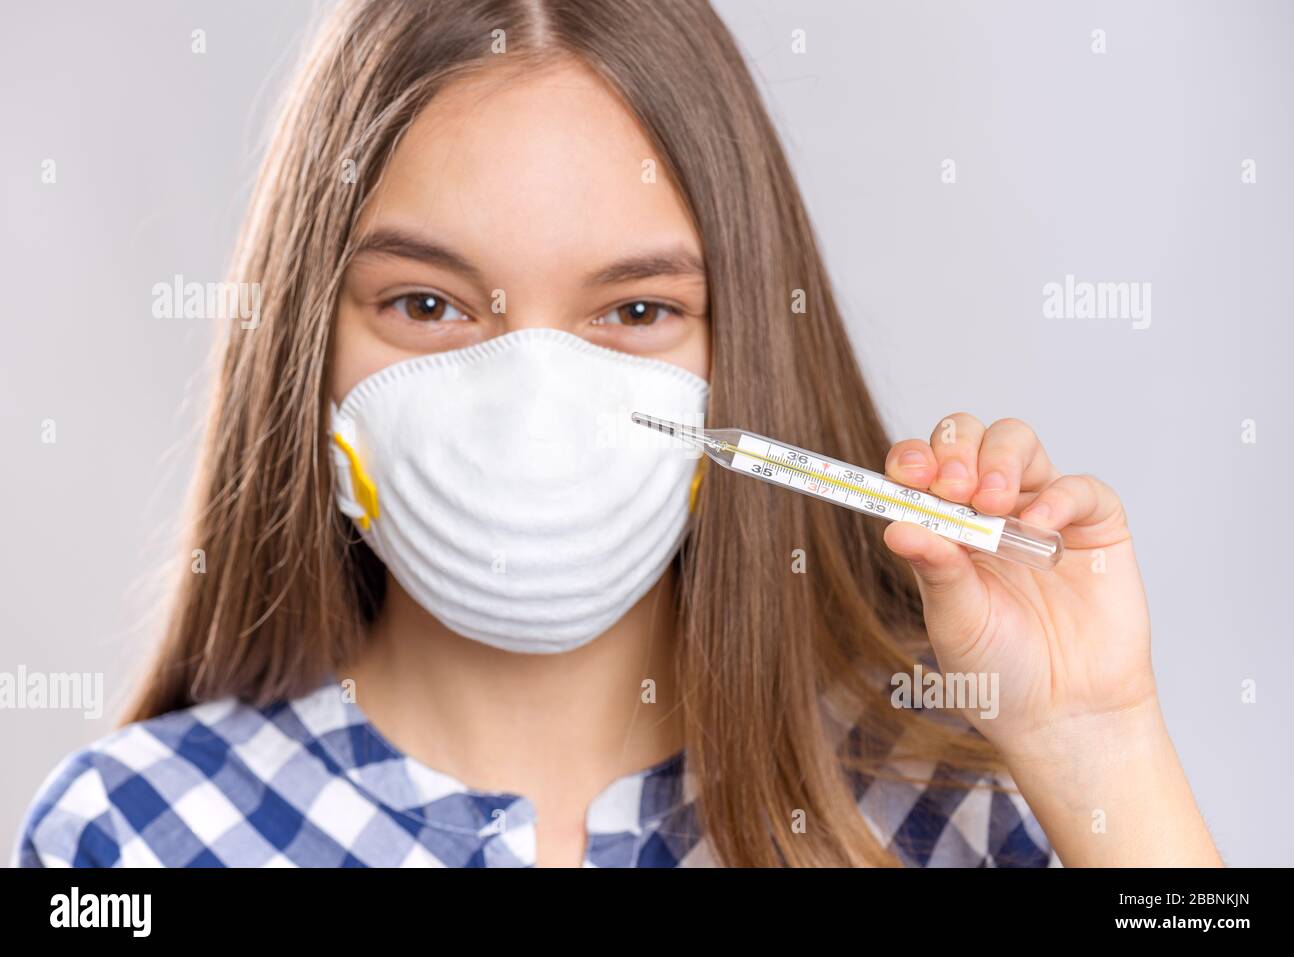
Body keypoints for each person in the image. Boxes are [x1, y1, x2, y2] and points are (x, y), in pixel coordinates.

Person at [15, 0, 1220, 868]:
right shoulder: (128, 842)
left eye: (635, 310)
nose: (537, 397)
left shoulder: (942, 817)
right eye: (428, 305)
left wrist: (1094, 742)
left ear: (739, 349)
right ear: (308, 349)